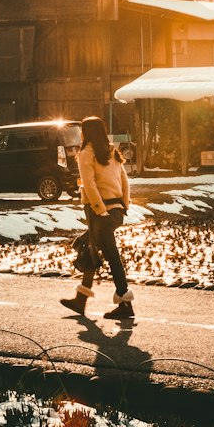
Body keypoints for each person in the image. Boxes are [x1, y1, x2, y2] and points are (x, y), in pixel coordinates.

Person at [59, 115, 134, 321]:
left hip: (99, 213)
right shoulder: (112, 151)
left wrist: (100, 211)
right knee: (88, 248)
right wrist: (123, 206)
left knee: (109, 255)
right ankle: (80, 300)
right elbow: (124, 180)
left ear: (86, 132)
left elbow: (89, 185)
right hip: (115, 211)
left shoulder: (86, 153)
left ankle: (125, 303)